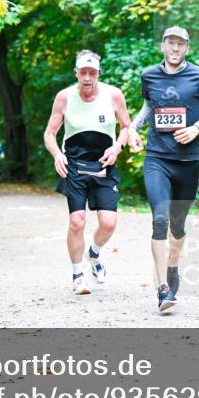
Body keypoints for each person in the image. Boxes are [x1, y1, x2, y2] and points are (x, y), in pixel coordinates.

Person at [128, 26, 199, 313]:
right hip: (156, 158)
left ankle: (172, 264)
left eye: (181, 44)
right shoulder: (149, 75)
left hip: (187, 161)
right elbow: (149, 106)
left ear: (187, 48)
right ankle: (162, 288)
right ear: (163, 46)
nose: (175, 48)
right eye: (171, 43)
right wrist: (133, 127)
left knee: (178, 225)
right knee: (159, 220)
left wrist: (196, 128)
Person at [43, 50, 132, 295]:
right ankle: (77, 276)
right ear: (76, 73)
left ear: (98, 73)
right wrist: (57, 154)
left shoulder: (114, 95)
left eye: (92, 73)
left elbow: (126, 126)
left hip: (104, 167)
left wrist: (117, 147)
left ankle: (93, 253)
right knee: (76, 221)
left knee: (108, 223)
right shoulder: (64, 97)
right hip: (74, 166)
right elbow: (50, 133)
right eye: (83, 72)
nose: (87, 78)